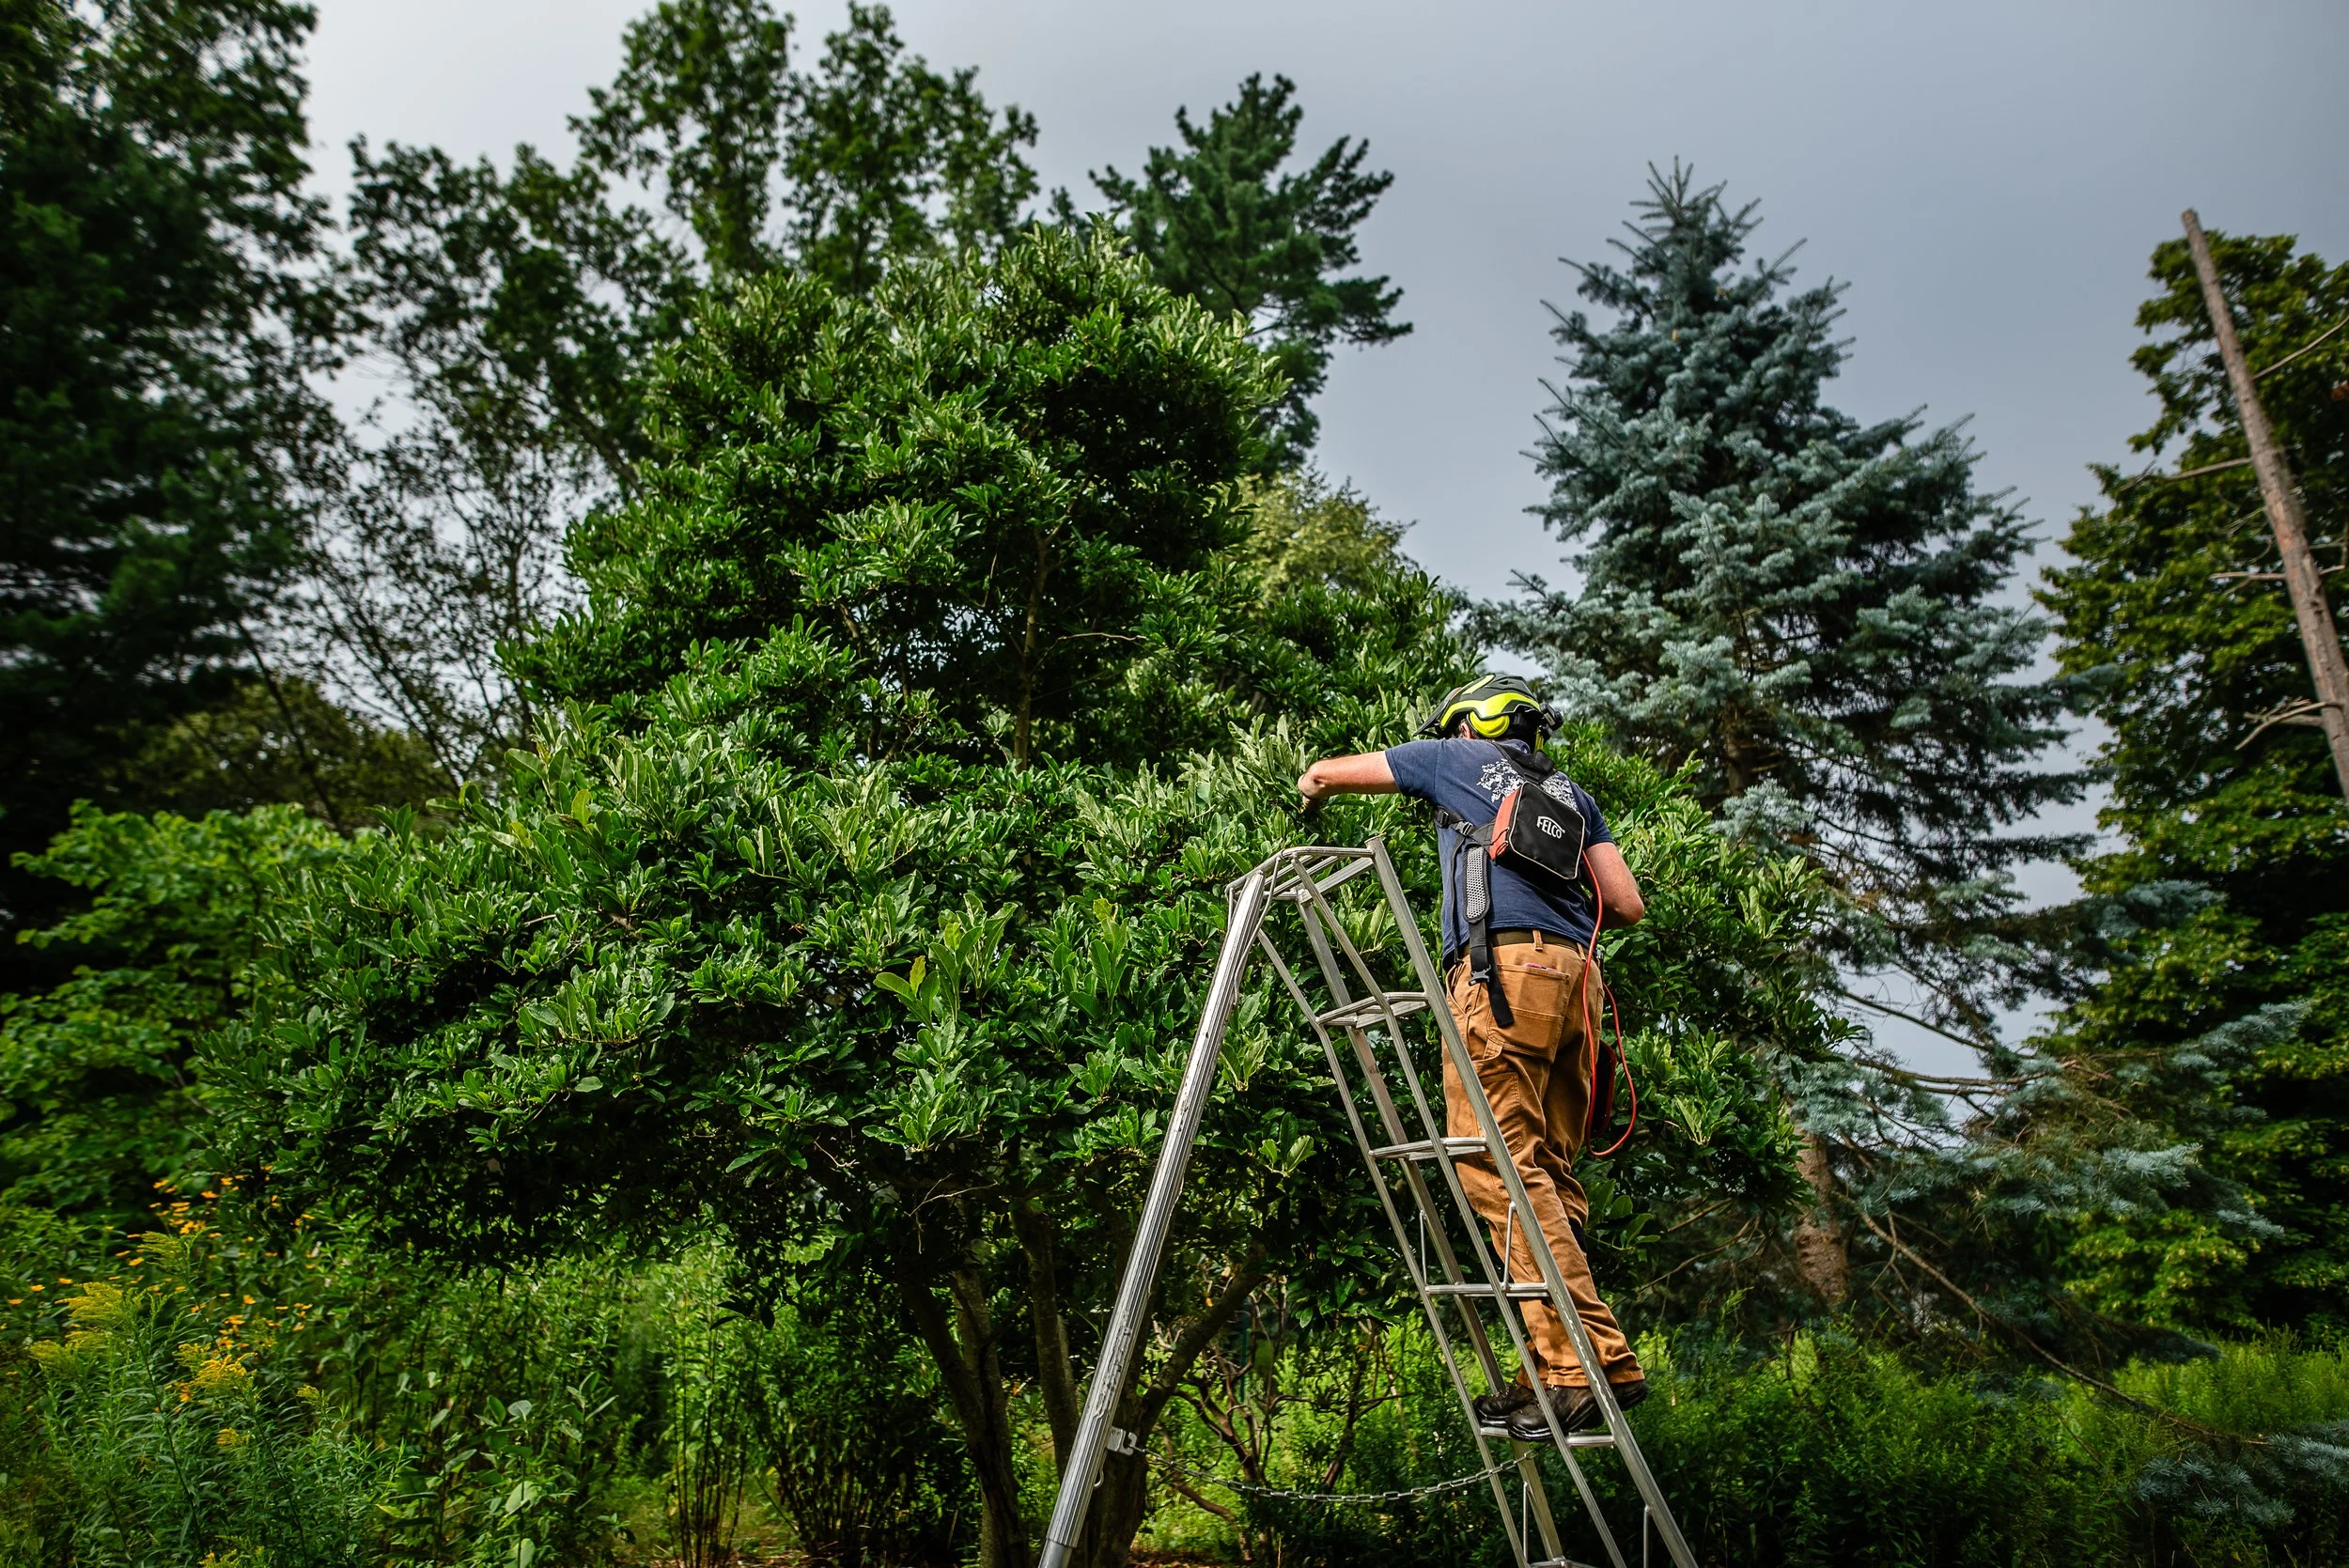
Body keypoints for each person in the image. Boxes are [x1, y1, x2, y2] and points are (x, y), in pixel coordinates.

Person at [1295, 675, 1649, 1439]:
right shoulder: (1572, 792)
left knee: (1496, 1163)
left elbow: (1327, 771)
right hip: (1577, 988)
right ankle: (1549, 1362)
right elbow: (1624, 905)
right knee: (1547, 1171)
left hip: (1503, 981)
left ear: (1469, 722)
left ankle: (1588, 1363)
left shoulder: (1449, 758)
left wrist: (1308, 791)